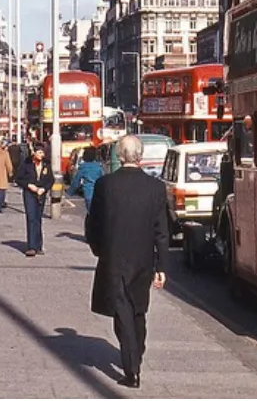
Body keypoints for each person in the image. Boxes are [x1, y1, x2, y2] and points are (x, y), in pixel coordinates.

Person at [84, 135, 170, 389]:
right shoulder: (155, 188)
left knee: (122, 312)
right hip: (144, 260)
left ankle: (132, 369)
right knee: (138, 310)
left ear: (120, 156)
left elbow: (93, 223)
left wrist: (98, 249)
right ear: (140, 155)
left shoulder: (105, 185)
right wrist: (162, 266)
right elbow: (162, 231)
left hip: (114, 259)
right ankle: (136, 353)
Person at [15, 143, 53, 257]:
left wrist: (44, 188)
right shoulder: (26, 163)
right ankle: (31, 247)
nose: (42, 155)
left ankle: (38, 245)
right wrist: (28, 185)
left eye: (43, 152)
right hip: (29, 193)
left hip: (41, 193)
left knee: (38, 219)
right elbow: (18, 179)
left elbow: (50, 180)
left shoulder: (46, 164)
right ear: (34, 153)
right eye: (39, 152)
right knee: (31, 218)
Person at [68, 147, 103, 213]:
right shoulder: (99, 167)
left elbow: (76, 181)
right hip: (99, 194)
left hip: (88, 193)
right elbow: (103, 180)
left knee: (90, 213)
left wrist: (70, 192)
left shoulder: (83, 168)